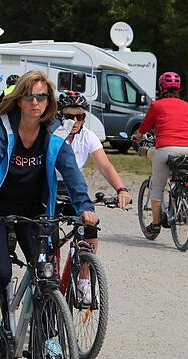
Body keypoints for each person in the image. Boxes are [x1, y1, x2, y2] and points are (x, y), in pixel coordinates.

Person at [0, 70, 97, 351]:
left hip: (32, 213)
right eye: (30, 96)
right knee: (1, 271)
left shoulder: (54, 135)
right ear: (19, 100)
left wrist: (84, 207)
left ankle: (48, 338)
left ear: (48, 101)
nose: (35, 102)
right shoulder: (1, 130)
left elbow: (71, 173)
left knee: (47, 276)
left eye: (41, 96)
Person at [56, 91, 131, 302]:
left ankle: (83, 281)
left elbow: (104, 164)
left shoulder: (87, 136)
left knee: (90, 231)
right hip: (49, 188)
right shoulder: (51, 134)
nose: (75, 121)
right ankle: (47, 282)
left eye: (79, 116)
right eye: (69, 116)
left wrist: (121, 190)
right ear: (59, 116)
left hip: (74, 190)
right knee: (48, 237)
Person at [132, 71, 188, 238]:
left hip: (165, 149)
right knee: (183, 178)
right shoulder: (187, 105)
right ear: (178, 89)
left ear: (161, 88)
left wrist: (138, 136)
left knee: (158, 188)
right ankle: (184, 200)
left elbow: (145, 126)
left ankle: (155, 224)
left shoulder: (157, 105)